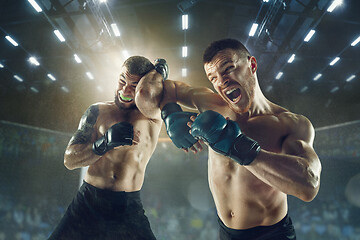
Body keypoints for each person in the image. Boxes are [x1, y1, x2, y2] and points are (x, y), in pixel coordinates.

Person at [145, 38, 322, 239]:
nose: (221, 81)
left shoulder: (290, 124)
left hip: (272, 234)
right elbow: (169, 87)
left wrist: (236, 145)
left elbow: (309, 184)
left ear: (252, 65)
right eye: (213, 78)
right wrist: (170, 116)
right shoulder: (211, 104)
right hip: (226, 232)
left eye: (228, 69)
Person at [48, 56, 169, 240]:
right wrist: (103, 144)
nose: (125, 90)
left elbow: (156, 89)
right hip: (88, 201)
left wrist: (158, 72)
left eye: (134, 86)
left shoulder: (152, 115)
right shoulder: (97, 111)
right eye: (122, 81)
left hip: (127, 207)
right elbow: (69, 160)